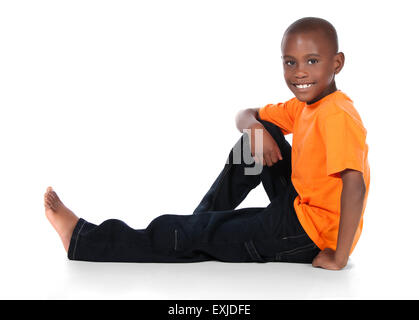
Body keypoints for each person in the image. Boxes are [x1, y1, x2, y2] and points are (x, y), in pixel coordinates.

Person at [44, 17, 370, 270]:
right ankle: (202, 224)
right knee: (260, 131)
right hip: (303, 206)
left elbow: (354, 186)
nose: (300, 72)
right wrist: (255, 130)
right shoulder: (307, 105)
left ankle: (84, 240)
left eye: (312, 61)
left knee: (192, 233)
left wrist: (338, 257)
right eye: (290, 62)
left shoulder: (337, 115)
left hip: (307, 235)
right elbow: (246, 115)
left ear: (337, 63)